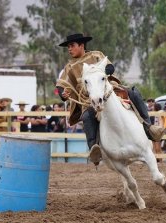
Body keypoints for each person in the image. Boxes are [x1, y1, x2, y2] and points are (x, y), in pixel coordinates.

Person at [55, 33, 159, 165]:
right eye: (68, 47)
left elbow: (109, 66)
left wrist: (109, 68)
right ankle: (94, 149)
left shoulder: (96, 55)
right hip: (88, 101)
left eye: (72, 46)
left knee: (134, 93)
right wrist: (62, 93)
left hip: (110, 91)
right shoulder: (69, 67)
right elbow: (61, 84)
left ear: (81, 45)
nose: (69, 49)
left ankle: (148, 127)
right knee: (87, 117)